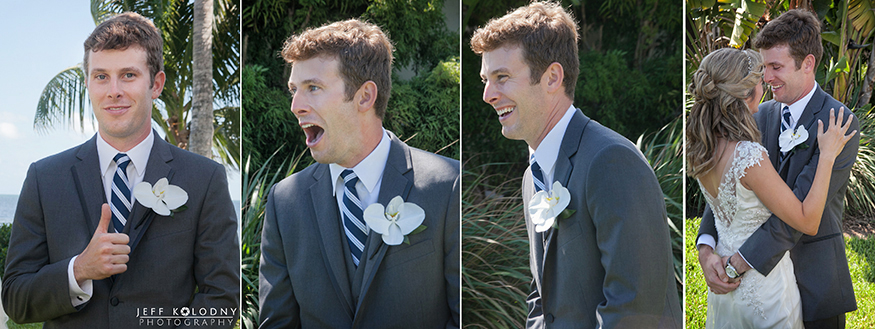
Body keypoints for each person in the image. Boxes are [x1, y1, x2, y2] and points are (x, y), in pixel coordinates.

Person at [1, 12, 240, 328]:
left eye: (128, 75)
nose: (113, 91)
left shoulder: (204, 179)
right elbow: (16, 299)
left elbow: (222, 301)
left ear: (155, 84)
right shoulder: (44, 178)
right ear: (88, 84)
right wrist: (79, 270)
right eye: (101, 76)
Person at [471, 2, 681, 328]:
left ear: (553, 77)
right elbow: (542, 300)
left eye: (502, 77)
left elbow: (634, 308)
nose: (487, 94)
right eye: (486, 79)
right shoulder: (532, 178)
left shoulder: (610, 161)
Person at [257, 19, 461, 328]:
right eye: (294, 91)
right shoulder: (284, 202)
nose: (295, 106)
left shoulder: (447, 187)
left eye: (313, 88)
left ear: (365, 96)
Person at [696, 9, 860, 329]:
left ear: (808, 63)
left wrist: (738, 262)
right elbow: (727, 187)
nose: (766, 77)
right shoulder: (758, 114)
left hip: (814, 279)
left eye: (776, 67)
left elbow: (796, 216)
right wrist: (705, 248)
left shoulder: (839, 124)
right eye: (763, 67)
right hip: (754, 285)